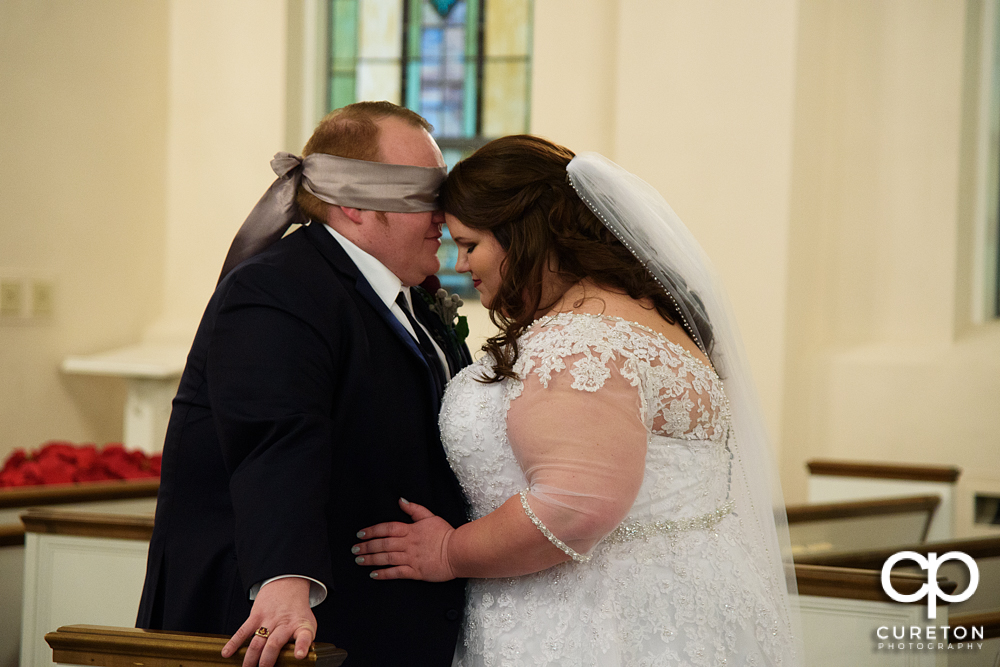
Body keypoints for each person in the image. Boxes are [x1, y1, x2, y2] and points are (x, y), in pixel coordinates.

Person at [352, 135, 802, 666]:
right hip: (683, 607)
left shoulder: (581, 341)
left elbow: (572, 508)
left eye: (471, 245)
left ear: (523, 236)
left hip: (595, 620)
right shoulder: (653, 315)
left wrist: (450, 552)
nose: (459, 263)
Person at [136, 101, 472, 667]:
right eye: (424, 196)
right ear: (352, 203)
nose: (444, 216)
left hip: (392, 613)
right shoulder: (277, 289)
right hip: (283, 625)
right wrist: (286, 578)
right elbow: (276, 438)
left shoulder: (411, 299)